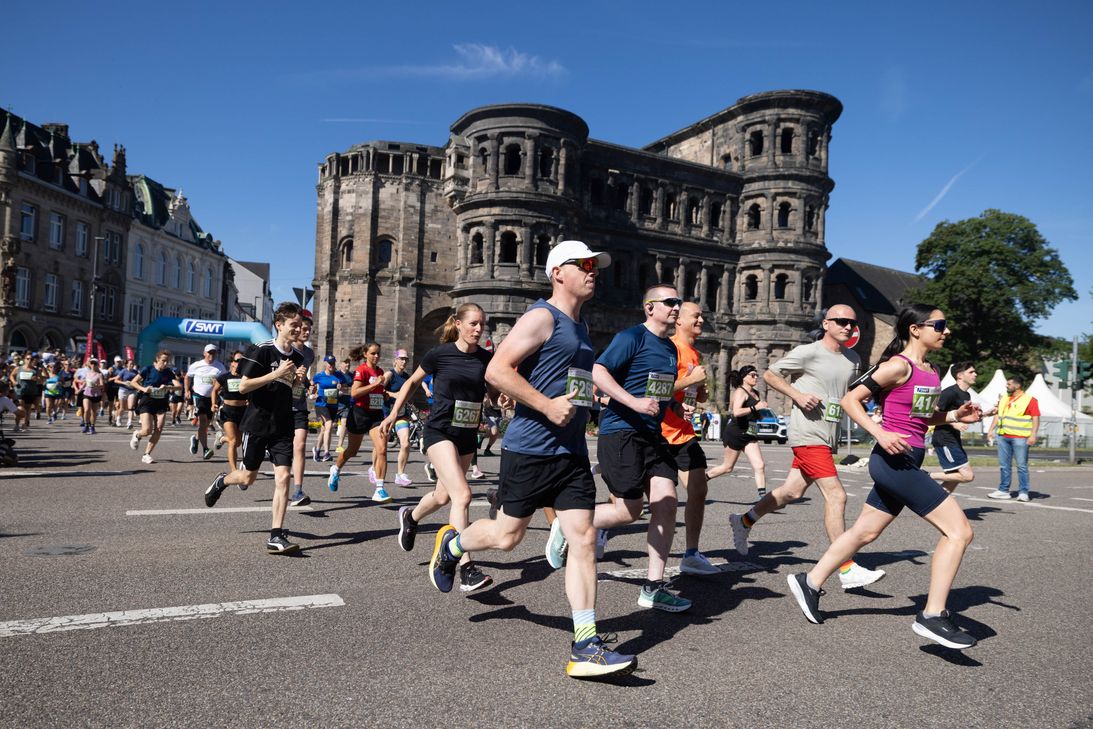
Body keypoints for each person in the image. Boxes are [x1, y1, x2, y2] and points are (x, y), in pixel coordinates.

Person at [421, 241, 635, 677]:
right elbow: (497, 370)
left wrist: (584, 398)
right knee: (506, 538)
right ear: (558, 272)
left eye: (596, 265)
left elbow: (563, 379)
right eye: (585, 264)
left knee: (583, 538)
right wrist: (547, 405)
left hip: (571, 452)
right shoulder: (542, 317)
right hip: (531, 448)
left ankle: (585, 644)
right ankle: (453, 544)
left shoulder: (581, 324)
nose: (594, 271)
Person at [786, 304, 982, 650]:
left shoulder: (931, 370)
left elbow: (923, 418)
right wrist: (879, 433)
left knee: (866, 530)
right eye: (940, 324)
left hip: (909, 457)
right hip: (893, 462)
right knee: (959, 531)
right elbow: (850, 400)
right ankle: (933, 616)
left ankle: (810, 580)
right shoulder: (897, 366)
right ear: (916, 329)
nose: (946, 331)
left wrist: (954, 414)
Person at [727, 306, 885, 589]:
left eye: (852, 322)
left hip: (829, 434)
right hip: (807, 433)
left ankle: (744, 520)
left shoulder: (853, 358)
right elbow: (772, 375)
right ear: (826, 324)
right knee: (837, 496)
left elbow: (849, 396)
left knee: (792, 491)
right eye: (841, 321)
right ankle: (846, 567)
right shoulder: (809, 351)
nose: (847, 326)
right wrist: (797, 395)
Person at [381, 303, 495, 593]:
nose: (478, 329)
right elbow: (412, 383)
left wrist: (500, 399)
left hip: (467, 434)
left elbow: (492, 393)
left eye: (482, 324)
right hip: (440, 431)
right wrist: (395, 412)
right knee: (463, 495)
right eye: (473, 324)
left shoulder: (486, 358)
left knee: (444, 496)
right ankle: (465, 566)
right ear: (457, 323)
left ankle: (411, 516)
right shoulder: (440, 354)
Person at [591, 283, 691, 612]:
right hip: (621, 432)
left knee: (667, 503)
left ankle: (653, 586)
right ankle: (571, 521)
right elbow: (599, 371)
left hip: (652, 436)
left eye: (679, 302)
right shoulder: (631, 337)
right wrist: (632, 402)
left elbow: (659, 392)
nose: (676, 307)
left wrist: (675, 409)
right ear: (650, 308)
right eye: (670, 302)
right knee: (628, 511)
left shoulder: (671, 349)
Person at [204, 302, 307, 554]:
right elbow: (243, 386)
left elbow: (292, 393)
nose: (298, 329)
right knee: (248, 478)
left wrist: (299, 383)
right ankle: (222, 480)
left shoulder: (299, 357)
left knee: (283, 477)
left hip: (283, 423)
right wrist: (276, 374)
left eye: (300, 325)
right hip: (258, 422)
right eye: (293, 325)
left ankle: (276, 534)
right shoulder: (261, 351)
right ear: (279, 325)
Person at [661, 301, 719, 575]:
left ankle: (691, 554)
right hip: (659, 433)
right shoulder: (667, 349)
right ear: (679, 320)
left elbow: (695, 395)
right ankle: (596, 528)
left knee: (698, 490)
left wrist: (701, 390)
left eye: (702, 316)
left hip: (683, 433)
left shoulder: (694, 353)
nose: (701, 320)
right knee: (636, 504)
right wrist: (689, 380)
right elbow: (658, 390)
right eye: (696, 316)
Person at [327, 342, 391, 503]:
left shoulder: (380, 371)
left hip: (376, 414)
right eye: (373, 353)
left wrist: (383, 394)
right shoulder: (361, 370)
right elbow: (354, 393)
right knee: (352, 451)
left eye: (378, 353)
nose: (376, 356)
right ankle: (335, 469)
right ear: (365, 354)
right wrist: (374, 384)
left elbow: (377, 391)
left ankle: (380, 489)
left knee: (382, 449)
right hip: (359, 414)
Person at [930, 362, 995, 494]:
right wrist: (954, 423)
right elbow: (932, 415)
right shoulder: (949, 392)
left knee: (954, 478)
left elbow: (966, 419)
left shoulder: (967, 396)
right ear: (960, 376)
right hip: (944, 439)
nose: (975, 374)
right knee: (967, 476)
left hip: (954, 439)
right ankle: (926, 476)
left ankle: (939, 505)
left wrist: (987, 414)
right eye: (971, 372)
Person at [705, 365, 767, 498]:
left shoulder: (756, 393)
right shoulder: (740, 392)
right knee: (727, 467)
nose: (755, 377)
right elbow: (736, 412)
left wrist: (759, 413)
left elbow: (753, 412)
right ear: (744, 377)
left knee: (760, 465)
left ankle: (763, 498)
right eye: (752, 375)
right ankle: (703, 479)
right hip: (736, 433)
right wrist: (756, 408)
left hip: (750, 433)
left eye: (756, 375)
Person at [986, 374, 1040, 502]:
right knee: (1004, 465)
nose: (1007, 386)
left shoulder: (1030, 400)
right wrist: (990, 430)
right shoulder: (1004, 398)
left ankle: (1023, 492)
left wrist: (1033, 434)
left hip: (1020, 437)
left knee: (1021, 466)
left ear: (1018, 385)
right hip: (1003, 436)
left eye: (1009, 384)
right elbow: (998, 414)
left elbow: (1035, 417)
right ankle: (1003, 490)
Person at [130, 351, 182, 464]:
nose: (165, 363)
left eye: (167, 361)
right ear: (157, 360)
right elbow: (133, 382)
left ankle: (146, 454)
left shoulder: (168, 372)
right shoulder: (147, 369)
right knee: (147, 430)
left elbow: (178, 386)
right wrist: (144, 389)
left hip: (161, 402)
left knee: (158, 429)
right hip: (147, 401)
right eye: (163, 361)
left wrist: (168, 387)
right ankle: (138, 434)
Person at [289, 312, 316, 507]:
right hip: (278, 405)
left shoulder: (309, 354)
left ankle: (298, 490)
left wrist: (308, 385)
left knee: (300, 445)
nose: (306, 332)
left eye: (309, 330)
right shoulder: (285, 349)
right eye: (303, 329)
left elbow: (302, 376)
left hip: (298, 405)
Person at [185, 344, 227, 460]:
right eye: (209, 352)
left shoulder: (220, 367)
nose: (211, 355)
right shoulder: (197, 365)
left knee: (206, 423)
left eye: (213, 353)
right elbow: (187, 377)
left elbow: (224, 381)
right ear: (204, 353)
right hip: (199, 396)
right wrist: (187, 390)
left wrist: (220, 387)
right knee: (203, 422)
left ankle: (196, 439)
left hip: (212, 398)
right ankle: (205, 449)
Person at [212, 352, 248, 474]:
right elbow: (215, 390)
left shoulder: (246, 377)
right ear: (232, 362)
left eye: (242, 361)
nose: (240, 364)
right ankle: (234, 470)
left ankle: (221, 438)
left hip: (243, 411)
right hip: (228, 410)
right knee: (233, 441)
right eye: (237, 361)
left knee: (238, 442)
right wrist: (213, 403)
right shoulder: (224, 377)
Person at [383, 348, 414, 486]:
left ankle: (400, 474)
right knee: (381, 445)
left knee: (406, 443)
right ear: (395, 360)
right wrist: (392, 394)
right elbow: (378, 389)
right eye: (401, 358)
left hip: (402, 414)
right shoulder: (389, 374)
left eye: (406, 359)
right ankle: (375, 467)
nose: (404, 361)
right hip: (387, 414)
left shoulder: (407, 377)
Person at [310, 354, 345, 462]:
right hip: (321, 405)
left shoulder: (339, 376)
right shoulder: (319, 376)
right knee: (329, 425)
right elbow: (311, 386)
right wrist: (312, 392)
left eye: (333, 363)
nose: (331, 365)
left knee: (325, 429)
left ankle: (316, 449)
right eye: (329, 363)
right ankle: (326, 453)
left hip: (333, 405)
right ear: (325, 363)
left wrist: (340, 391)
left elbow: (344, 389)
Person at [112, 359, 140, 429]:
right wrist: (124, 383)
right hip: (123, 390)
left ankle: (129, 422)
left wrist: (138, 386)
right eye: (130, 364)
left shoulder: (135, 372)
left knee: (130, 408)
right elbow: (116, 380)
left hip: (132, 391)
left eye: (133, 364)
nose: (131, 365)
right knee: (122, 408)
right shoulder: (123, 371)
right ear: (127, 364)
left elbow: (139, 380)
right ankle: (118, 418)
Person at [80, 359, 106, 434]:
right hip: (87, 393)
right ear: (90, 364)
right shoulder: (87, 373)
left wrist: (96, 385)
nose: (93, 365)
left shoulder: (99, 374)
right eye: (92, 363)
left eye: (95, 363)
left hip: (96, 395)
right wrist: (79, 390)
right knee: (87, 409)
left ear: (97, 365)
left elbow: (102, 386)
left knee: (94, 412)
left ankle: (92, 426)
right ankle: (86, 425)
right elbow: (85, 383)